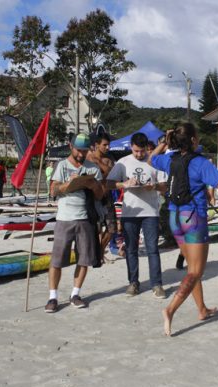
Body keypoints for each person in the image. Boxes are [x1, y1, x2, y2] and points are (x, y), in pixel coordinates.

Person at [149, 123, 218, 336]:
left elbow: (151, 159)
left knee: (192, 269)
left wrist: (163, 142)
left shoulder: (170, 158)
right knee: (196, 271)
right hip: (193, 218)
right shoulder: (200, 163)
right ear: (194, 140)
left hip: (175, 217)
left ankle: (202, 309)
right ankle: (170, 310)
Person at [44, 133, 104, 313]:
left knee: (84, 258)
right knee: (57, 260)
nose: (81, 154)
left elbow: (100, 195)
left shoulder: (93, 168)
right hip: (64, 218)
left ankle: (75, 294)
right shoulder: (61, 165)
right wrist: (68, 184)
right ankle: (52, 297)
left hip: (85, 218)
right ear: (71, 146)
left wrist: (92, 185)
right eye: (79, 150)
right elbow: (53, 190)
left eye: (85, 151)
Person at [107, 132, 168, 298]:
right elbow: (109, 184)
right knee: (131, 249)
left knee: (152, 249)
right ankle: (133, 282)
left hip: (151, 213)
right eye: (136, 151)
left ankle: (157, 284)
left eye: (142, 151)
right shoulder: (123, 162)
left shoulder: (155, 160)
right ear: (131, 148)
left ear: (147, 148)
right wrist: (124, 184)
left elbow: (164, 186)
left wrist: (153, 187)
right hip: (130, 212)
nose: (139, 155)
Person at [87, 133, 117, 264]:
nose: (107, 147)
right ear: (96, 145)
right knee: (95, 229)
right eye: (104, 145)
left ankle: (100, 251)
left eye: (108, 145)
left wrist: (99, 162)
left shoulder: (108, 159)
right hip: (93, 198)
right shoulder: (88, 158)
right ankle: (97, 254)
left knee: (112, 229)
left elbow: (111, 174)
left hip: (107, 196)